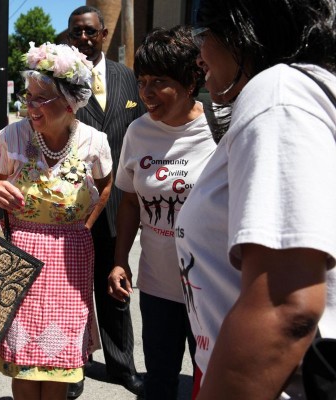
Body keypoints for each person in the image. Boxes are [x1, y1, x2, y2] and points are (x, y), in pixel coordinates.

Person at [174, 1, 336, 399]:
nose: (199, 56)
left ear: (242, 30)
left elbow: (286, 308)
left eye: (203, 35)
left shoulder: (278, 93)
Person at [0, 41, 112, 400]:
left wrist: (85, 226)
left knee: (58, 365)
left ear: (70, 102)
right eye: (28, 96)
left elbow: (106, 186)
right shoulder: (12, 137)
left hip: (71, 262)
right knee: (24, 361)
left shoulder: (94, 143)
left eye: (41, 98)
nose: (30, 106)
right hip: (20, 257)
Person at [107, 26, 216, 400]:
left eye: (160, 81)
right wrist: (120, 260)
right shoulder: (138, 132)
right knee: (159, 383)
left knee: (212, 383)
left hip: (211, 288)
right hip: (157, 285)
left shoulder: (220, 130)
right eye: (142, 81)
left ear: (191, 81)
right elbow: (131, 201)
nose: (147, 92)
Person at [66, 5, 146, 398]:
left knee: (115, 286)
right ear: (69, 35)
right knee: (74, 289)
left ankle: (121, 366)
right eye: (76, 32)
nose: (83, 38)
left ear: (102, 34)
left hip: (118, 203)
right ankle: (73, 369)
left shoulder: (126, 78)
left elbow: (142, 127)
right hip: (73, 202)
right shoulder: (59, 76)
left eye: (90, 32)